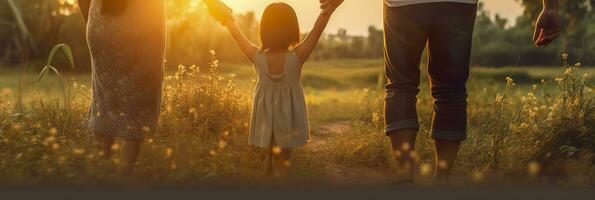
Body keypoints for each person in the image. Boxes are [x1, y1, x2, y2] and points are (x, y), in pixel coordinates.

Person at [322, 0, 560, 183]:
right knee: (451, 90)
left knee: (401, 85)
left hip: (405, 4)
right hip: (457, 4)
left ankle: (405, 177)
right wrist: (550, 5)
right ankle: (442, 181)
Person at [205, 0, 344, 178]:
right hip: (288, 121)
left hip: (265, 119)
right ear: (293, 29)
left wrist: (226, 17)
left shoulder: (257, 57)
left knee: (268, 158)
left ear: (264, 30)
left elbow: (236, 33)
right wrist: (330, 8)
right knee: (282, 161)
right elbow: (318, 28)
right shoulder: (298, 56)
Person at [77, 0, 166, 173]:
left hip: (100, 23)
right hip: (143, 24)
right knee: (139, 106)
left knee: (103, 101)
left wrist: (93, 23)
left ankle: (103, 174)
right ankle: (121, 179)